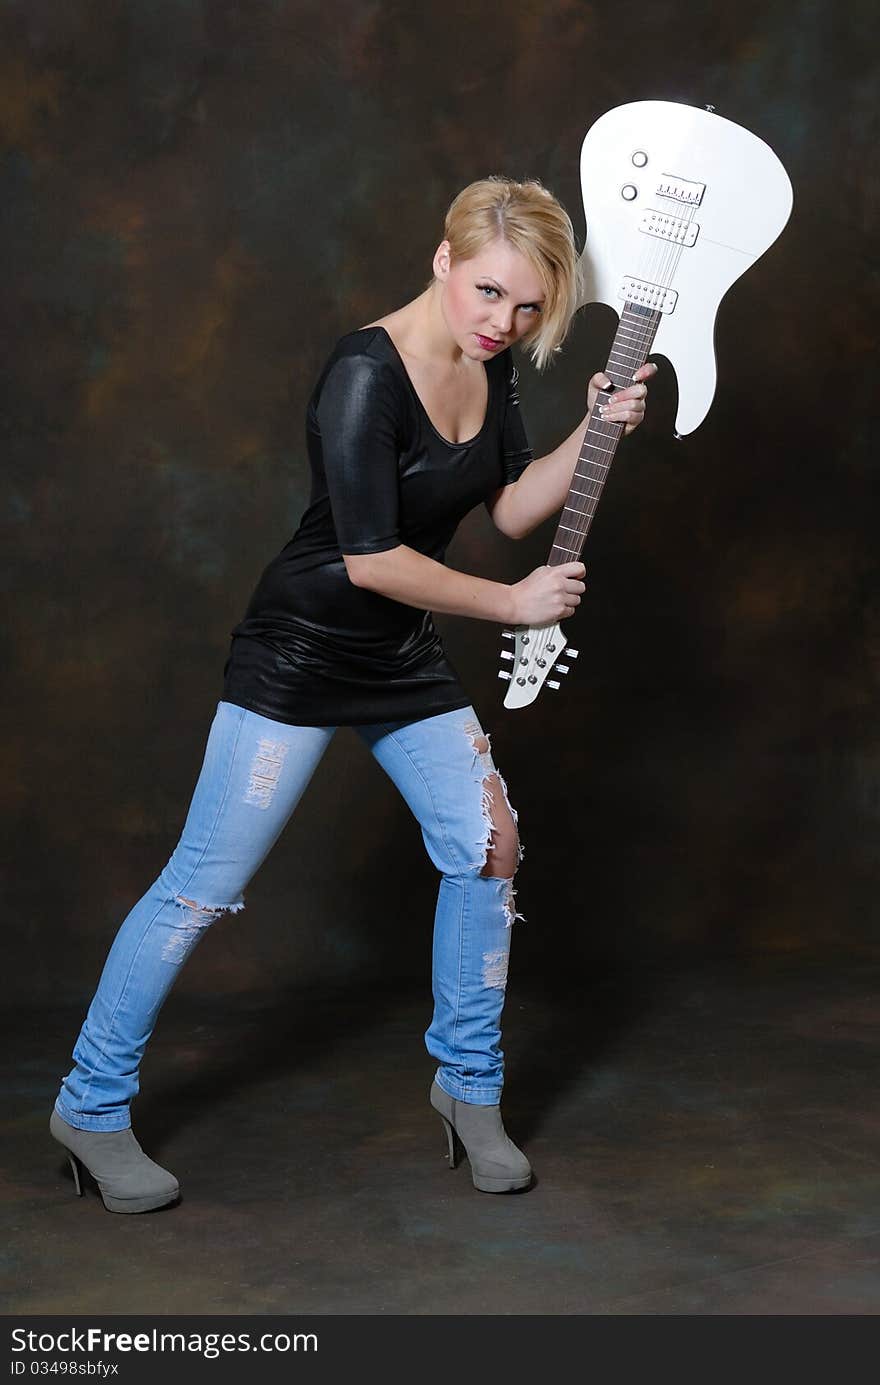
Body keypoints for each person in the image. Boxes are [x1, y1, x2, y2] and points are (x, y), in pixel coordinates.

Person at [50, 176, 654, 1210]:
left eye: (524, 306)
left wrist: (591, 426)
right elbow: (372, 557)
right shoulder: (362, 374)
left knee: (489, 846)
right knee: (199, 885)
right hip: (298, 652)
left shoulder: (489, 365)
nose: (502, 322)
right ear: (441, 259)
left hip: (399, 658)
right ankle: (89, 1105)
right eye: (487, 292)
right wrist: (512, 608)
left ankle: (467, 1089)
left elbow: (508, 506)